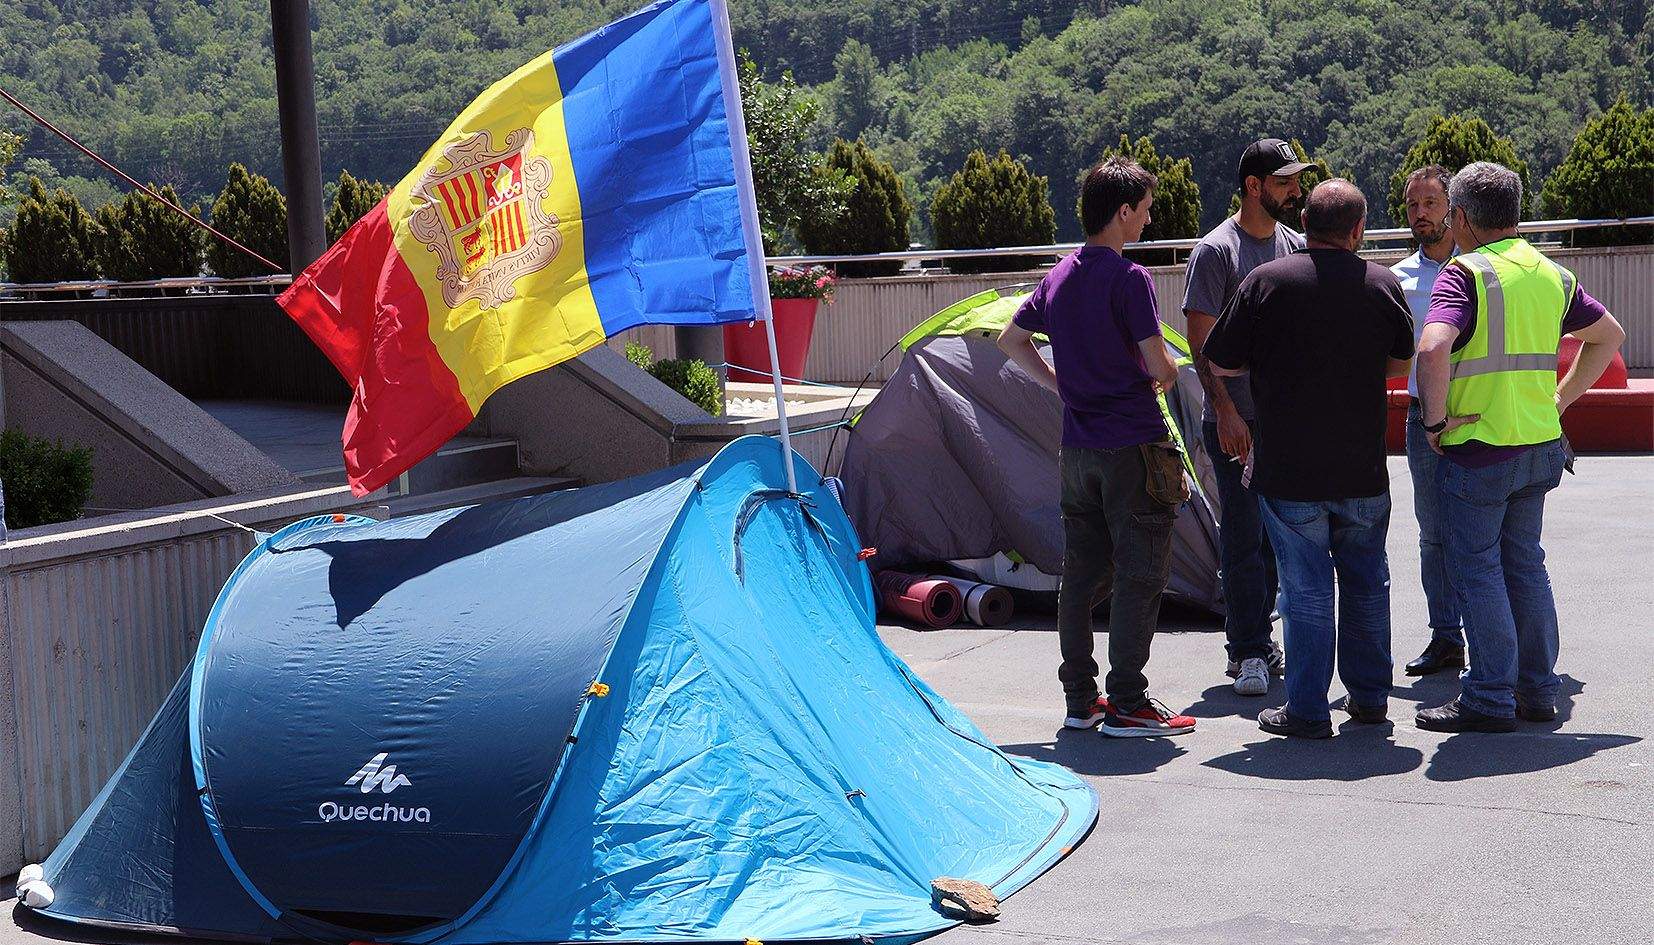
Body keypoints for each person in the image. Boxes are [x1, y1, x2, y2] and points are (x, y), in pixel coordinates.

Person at [1414, 162, 1626, 733]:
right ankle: (1537, 690)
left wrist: (1434, 422)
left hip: (1480, 449)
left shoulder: (1465, 273)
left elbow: (1432, 348)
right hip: (1538, 446)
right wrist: (1559, 400)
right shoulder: (1551, 273)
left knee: (1477, 569)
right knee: (1525, 565)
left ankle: (1488, 695)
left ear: (1460, 217)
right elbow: (1609, 337)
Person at [1201, 180, 1415, 738]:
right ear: (1357, 230)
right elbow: (1400, 365)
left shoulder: (1265, 282)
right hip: (1362, 469)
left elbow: (1220, 361)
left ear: (1304, 224)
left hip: (1289, 470)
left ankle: (1307, 710)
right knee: (1367, 583)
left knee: (1306, 591)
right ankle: (1370, 699)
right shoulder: (1382, 283)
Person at [997, 156, 1197, 737]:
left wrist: (1061, 386)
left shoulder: (1059, 275)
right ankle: (1129, 701)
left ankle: (1081, 702)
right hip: (1133, 444)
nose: (1149, 219)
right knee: (1141, 572)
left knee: (1081, 577)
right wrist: (1168, 371)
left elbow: (1010, 341)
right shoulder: (1130, 278)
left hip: (1077, 449)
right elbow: (1158, 364)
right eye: (1146, 209)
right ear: (1123, 211)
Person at [1183, 138, 1309, 696]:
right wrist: (1226, 412)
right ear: (1253, 187)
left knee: (1279, 538)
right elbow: (1200, 343)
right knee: (1243, 537)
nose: (1296, 191)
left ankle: (1262, 638)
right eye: (1284, 181)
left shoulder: (1295, 244)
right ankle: (1248, 650)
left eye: (1296, 180)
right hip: (1235, 421)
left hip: (1284, 421)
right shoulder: (1217, 251)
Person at [1391, 165, 1466, 676]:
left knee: (1486, 532)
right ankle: (1446, 637)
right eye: (1413, 205)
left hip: (1479, 413)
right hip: (1423, 418)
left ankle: (1493, 640)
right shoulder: (1398, 279)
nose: (1420, 213)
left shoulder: (1482, 269)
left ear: (1452, 208)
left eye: (1430, 203)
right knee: (1433, 533)